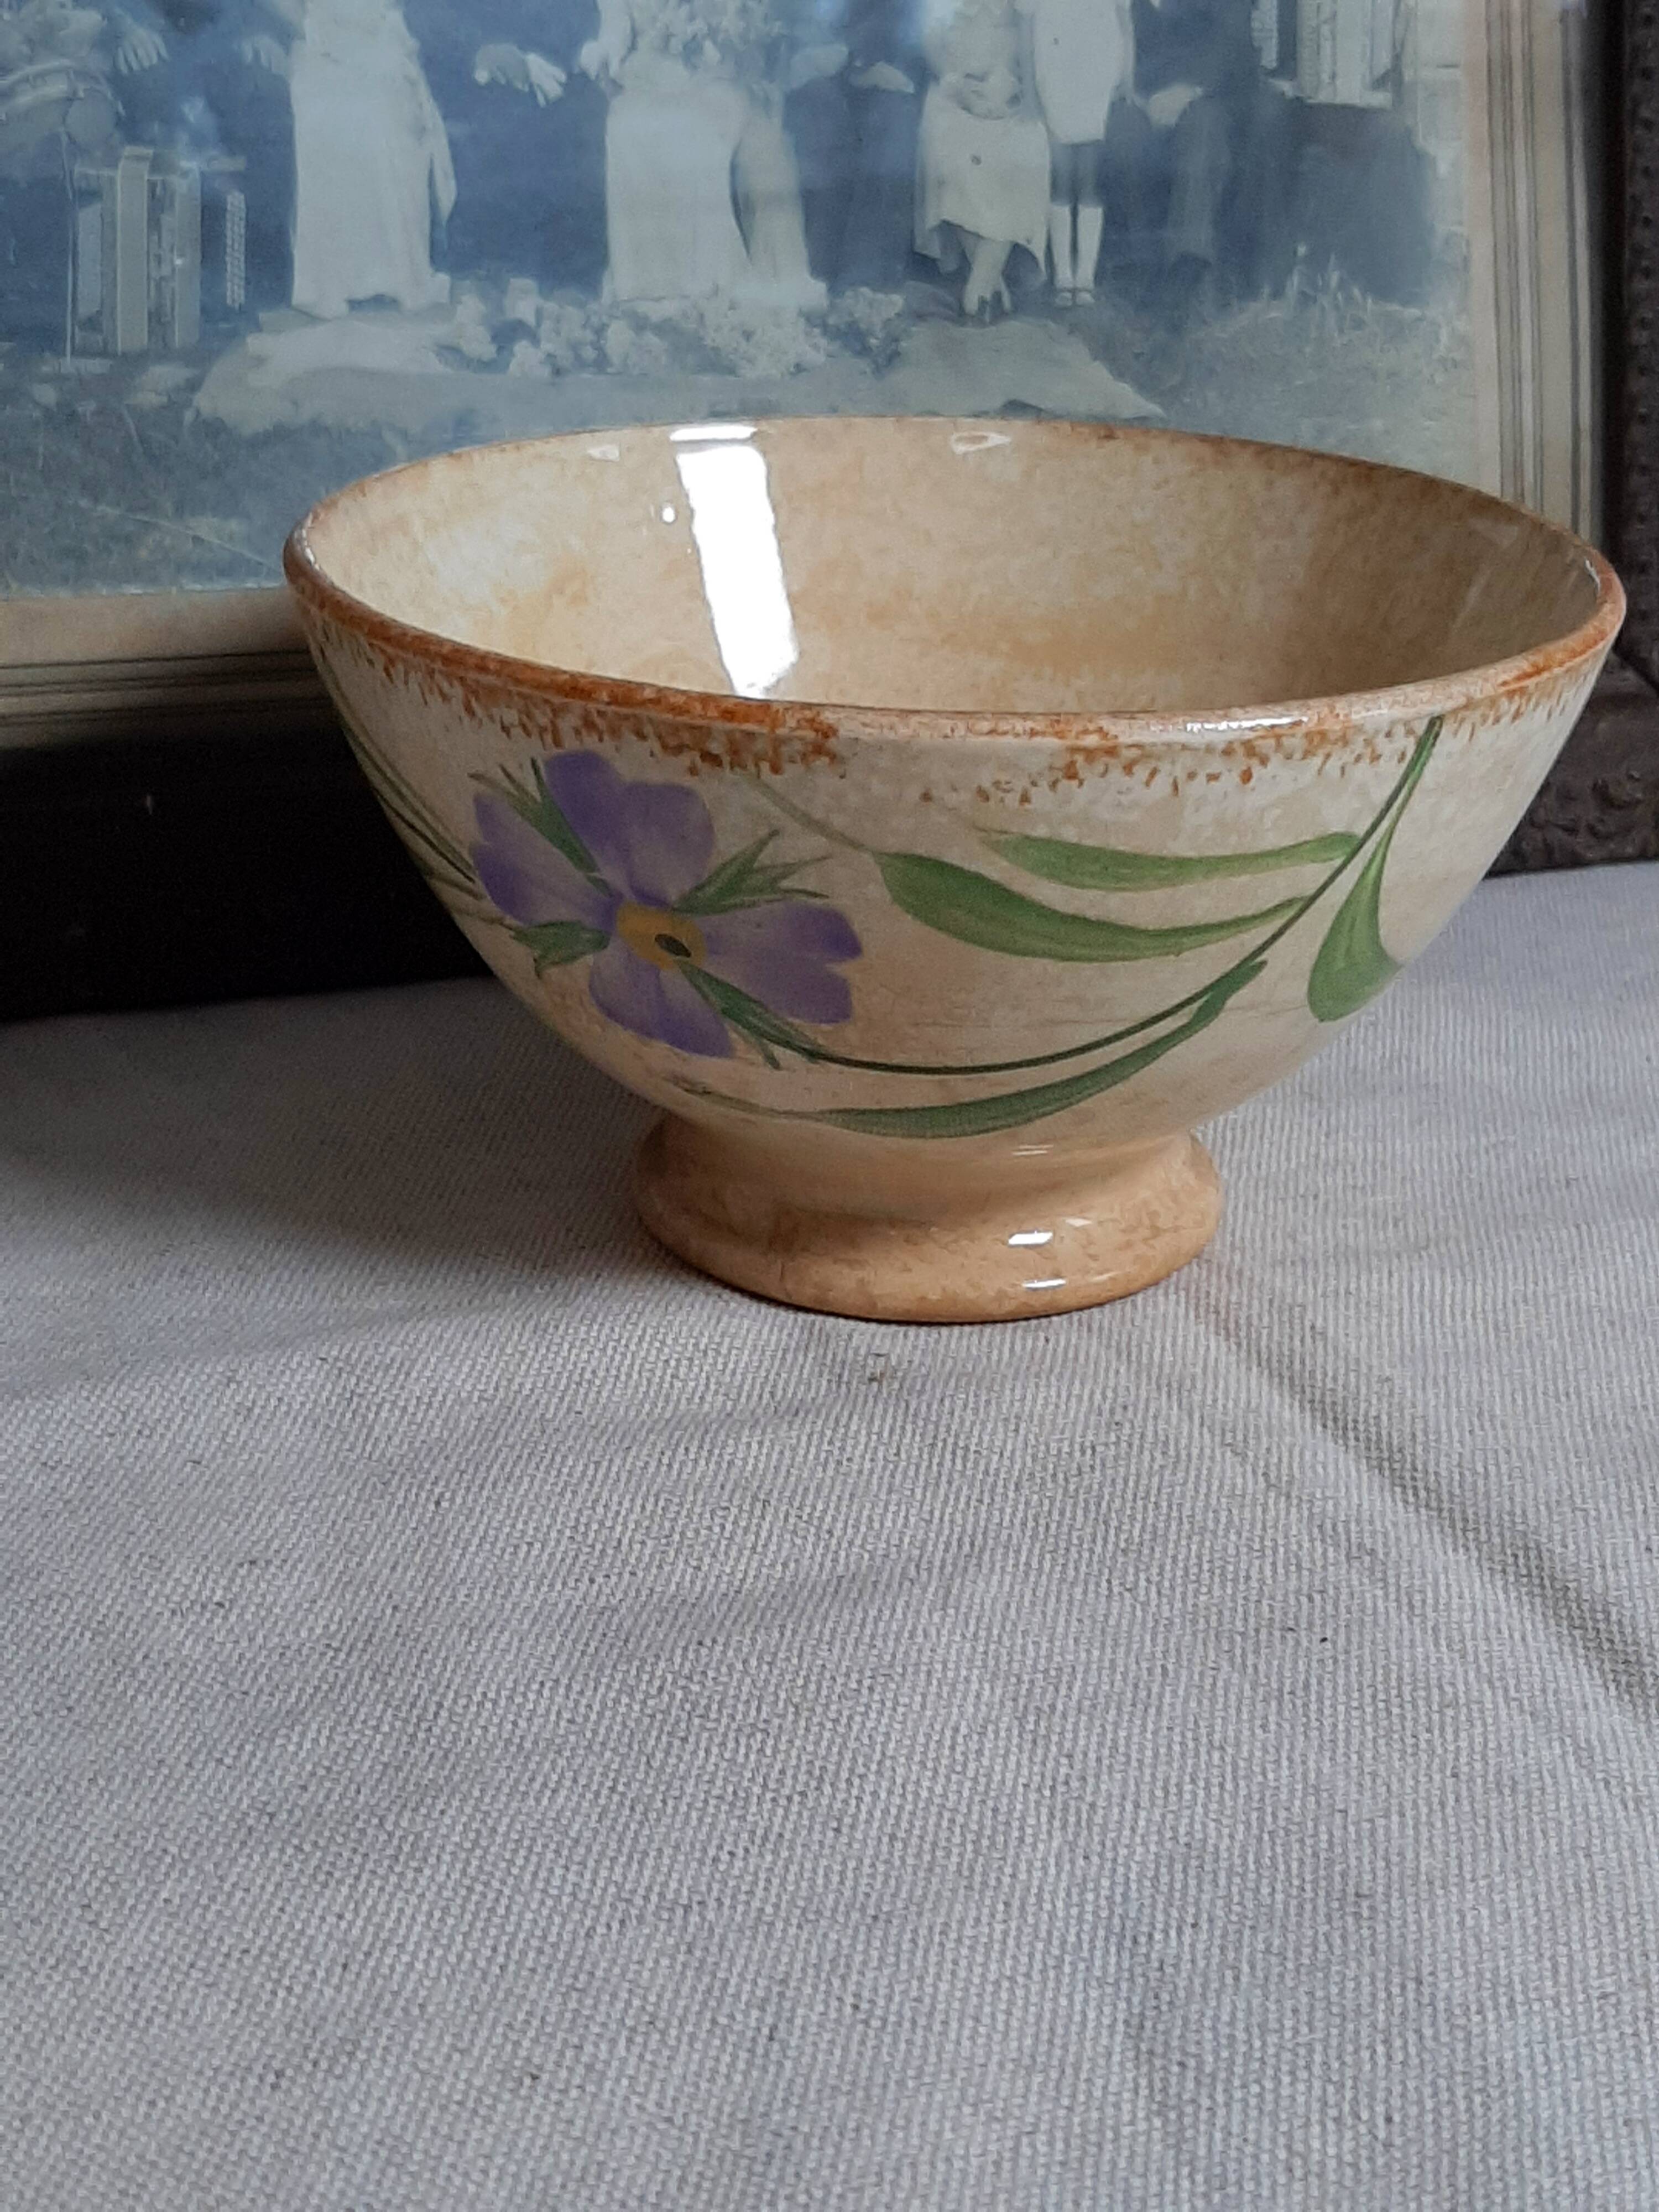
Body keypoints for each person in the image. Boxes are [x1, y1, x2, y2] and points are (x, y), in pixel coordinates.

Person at [244, 0, 454, 320]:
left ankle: (395, 277)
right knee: (328, 112)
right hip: (314, 37)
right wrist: (316, 31)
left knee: (385, 108)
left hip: (380, 40)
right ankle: (331, 283)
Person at [1100, 0, 1292, 328]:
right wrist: (1132, 92)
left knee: (1202, 131)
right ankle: (1140, 267)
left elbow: (1231, 39)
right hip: (1141, 93)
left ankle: (1187, 268)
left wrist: (1189, 89)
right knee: (1121, 130)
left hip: (1209, 94)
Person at [914, 0, 1046, 320]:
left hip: (1006, 92)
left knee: (1028, 148)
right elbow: (930, 42)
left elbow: (1032, 42)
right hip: (955, 93)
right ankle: (988, 283)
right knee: (950, 154)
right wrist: (962, 91)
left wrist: (1016, 94)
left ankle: (981, 283)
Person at [1025, 0, 1132, 305]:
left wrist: (1127, 76)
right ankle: (1063, 274)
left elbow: (1125, 22)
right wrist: (1032, 93)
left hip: (1096, 66)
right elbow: (1026, 23)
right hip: (1055, 65)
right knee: (1061, 174)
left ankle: (1085, 275)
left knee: (1089, 175)